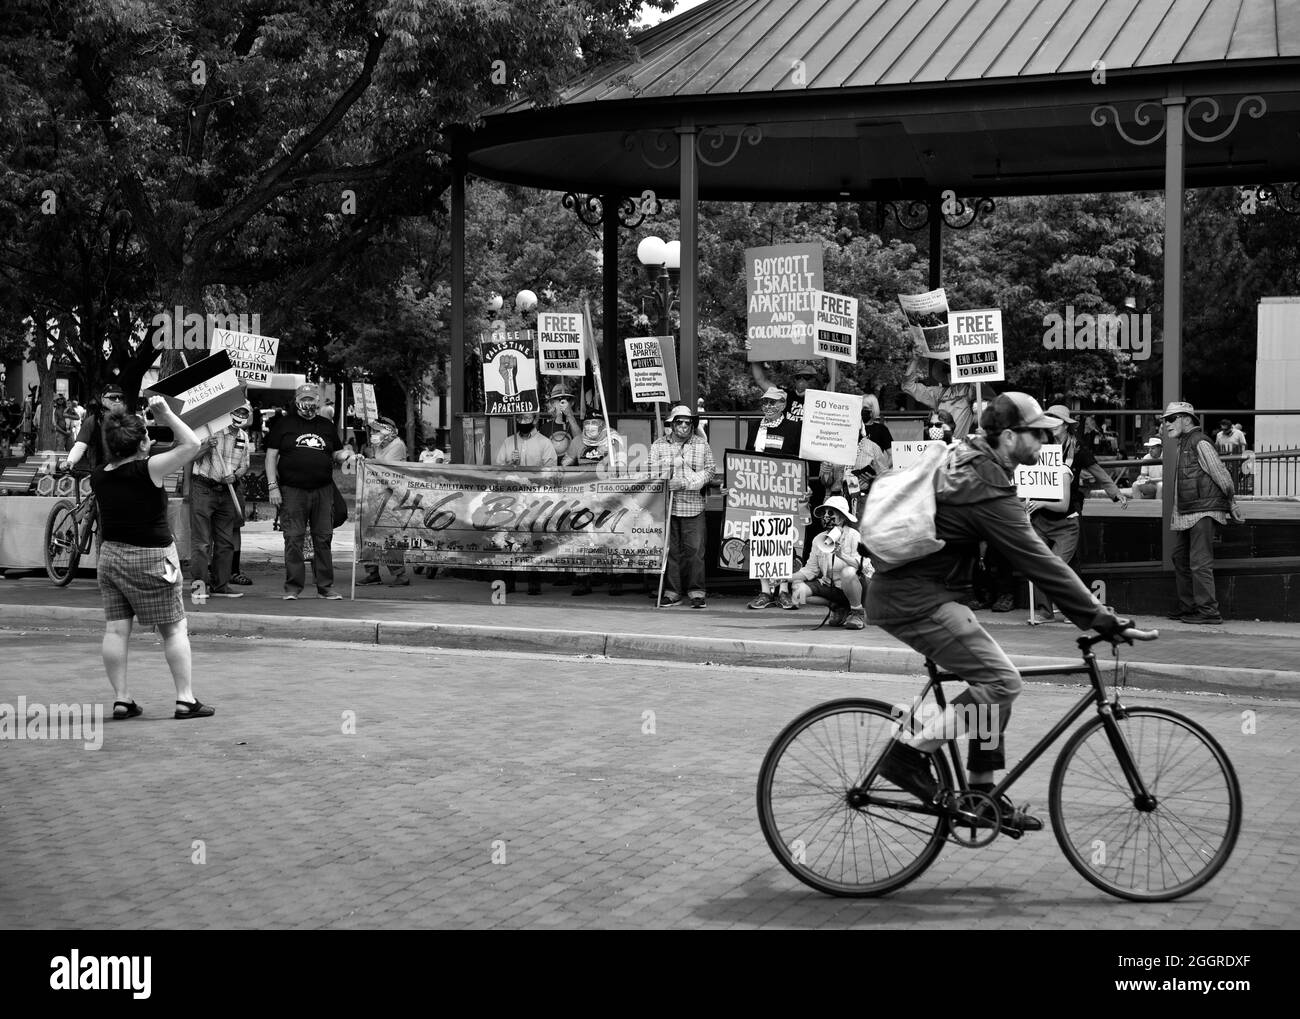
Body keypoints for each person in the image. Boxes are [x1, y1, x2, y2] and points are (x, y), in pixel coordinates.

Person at [867, 393, 1130, 831]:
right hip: (914, 600)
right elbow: (1037, 560)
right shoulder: (983, 483)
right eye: (1039, 433)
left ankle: (982, 794)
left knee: (994, 681)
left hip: (929, 593)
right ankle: (907, 756)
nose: (1047, 441)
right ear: (1009, 436)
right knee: (1001, 682)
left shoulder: (977, 460)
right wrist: (1099, 617)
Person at [91, 396, 215, 720]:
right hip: (152, 557)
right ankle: (185, 699)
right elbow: (192, 444)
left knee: (116, 631)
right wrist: (167, 416)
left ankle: (121, 699)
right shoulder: (148, 468)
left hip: (111, 556)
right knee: (174, 629)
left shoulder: (99, 474)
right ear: (143, 441)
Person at [1026, 404, 1128, 623]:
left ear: (1065, 425)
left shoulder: (1078, 448)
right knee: (1042, 564)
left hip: (1067, 511)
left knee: (1066, 563)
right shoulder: (1038, 445)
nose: (1051, 424)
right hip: (1039, 515)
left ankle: (1073, 608)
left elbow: (1098, 472)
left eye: (1056, 420)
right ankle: (1047, 611)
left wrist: (1115, 493)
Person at [265, 384, 356, 600]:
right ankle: (293, 588)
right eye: (304, 398)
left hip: (323, 490)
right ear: (297, 400)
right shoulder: (284, 424)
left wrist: (348, 455)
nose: (308, 403)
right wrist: (272, 486)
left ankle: (325, 587)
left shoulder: (326, 425)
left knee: (323, 538)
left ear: (318, 401)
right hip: (292, 490)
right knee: (293, 538)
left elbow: (336, 453)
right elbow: (270, 456)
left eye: (312, 399)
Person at [1162, 401, 1243, 625]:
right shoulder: (1185, 442)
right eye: (1166, 420)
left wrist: (1232, 502)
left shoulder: (1199, 442)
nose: (1166, 424)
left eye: (1171, 419)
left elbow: (1220, 473)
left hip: (1203, 510)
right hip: (1192, 511)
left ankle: (1208, 612)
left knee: (1199, 562)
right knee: (1180, 557)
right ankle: (1189, 608)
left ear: (1187, 419)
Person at [649, 404, 716, 608]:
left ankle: (697, 592)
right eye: (680, 421)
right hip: (667, 506)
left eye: (689, 422)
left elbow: (710, 471)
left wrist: (687, 482)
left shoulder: (701, 445)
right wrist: (665, 481)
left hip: (693, 506)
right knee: (670, 551)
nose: (684, 425)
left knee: (695, 552)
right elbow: (651, 472)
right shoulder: (658, 445)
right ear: (672, 423)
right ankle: (672, 592)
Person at [744, 387, 802, 610]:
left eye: (772, 402)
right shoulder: (754, 426)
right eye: (765, 403)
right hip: (760, 491)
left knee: (785, 539)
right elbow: (748, 457)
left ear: (783, 405)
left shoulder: (794, 427)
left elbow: (799, 460)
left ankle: (784, 590)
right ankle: (765, 591)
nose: (767, 407)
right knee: (762, 539)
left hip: (784, 492)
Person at [189, 401, 252, 599]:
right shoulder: (210, 431)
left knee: (225, 542)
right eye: (237, 410)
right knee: (202, 543)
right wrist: (206, 446)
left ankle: (221, 585)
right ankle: (199, 587)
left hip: (227, 492)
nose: (240, 414)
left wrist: (235, 476)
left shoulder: (244, 436)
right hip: (203, 489)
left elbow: (245, 464)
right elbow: (191, 456)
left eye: (244, 411)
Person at [495, 412, 556, 597]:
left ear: (535, 420)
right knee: (508, 539)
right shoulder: (508, 442)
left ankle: (534, 581)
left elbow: (551, 471)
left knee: (533, 538)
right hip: (512, 498)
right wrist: (509, 465)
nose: (523, 422)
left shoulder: (544, 443)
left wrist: (532, 476)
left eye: (526, 419)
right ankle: (508, 581)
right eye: (520, 419)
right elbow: (498, 470)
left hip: (534, 499)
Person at [567, 410, 628, 596]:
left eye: (595, 422)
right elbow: (566, 463)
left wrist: (610, 456)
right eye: (587, 422)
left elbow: (623, 467)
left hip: (607, 495)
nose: (591, 426)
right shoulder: (577, 441)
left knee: (611, 535)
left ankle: (615, 578)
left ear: (603, 423)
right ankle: (582, 579)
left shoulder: (614, 439)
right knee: (582, 536)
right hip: (583, 495)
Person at [784, 496, 866, 630]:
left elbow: (861, 567)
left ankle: (857, 612)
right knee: (798, 593)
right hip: (833, 588)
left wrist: (841, 555)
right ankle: (838, 607)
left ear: (842, 517)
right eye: (824, 513)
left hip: (858, 587)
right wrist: (783, 577)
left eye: (831, 513)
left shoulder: (853, 535)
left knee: (848, 572)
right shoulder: (819, 539)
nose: (826, 517)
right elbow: (810, 571)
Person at [359, 417, 412, 587]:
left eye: (376, 431)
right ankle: (372, 572)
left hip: (390, 498)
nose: (373, 434)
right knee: (368, 535)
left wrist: (370, 458)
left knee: (388, 536)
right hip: (375, 495)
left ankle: (400, 574)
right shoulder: (380, 445)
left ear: (387, 431)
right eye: (372, 431)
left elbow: (383, 469)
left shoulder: (396, 445)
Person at [903, 352, 991, 441]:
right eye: (947, 370)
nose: (950, 373)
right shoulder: (939, 393)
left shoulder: (970, 392)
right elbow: (908, 386)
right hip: (938, 445)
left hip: (957, 447)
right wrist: (915, 359)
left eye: (954, 370)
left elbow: (981, 383)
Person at [62, 385, 129, 472]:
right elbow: (80, 446)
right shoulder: (92, 421)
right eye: (113, 397)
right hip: (100, 471)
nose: (117, 400)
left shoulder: (129, 420)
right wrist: (70, 461)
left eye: (120, 397)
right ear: (103, 399)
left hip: (126, 471)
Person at [862, 394, 893, 470]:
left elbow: (893, 455)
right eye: (860, 407)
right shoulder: (853, 428)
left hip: (873, 478)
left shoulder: (881, 429)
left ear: (873, 410)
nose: (862, 410)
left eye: (865, 408)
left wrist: (882, 471)